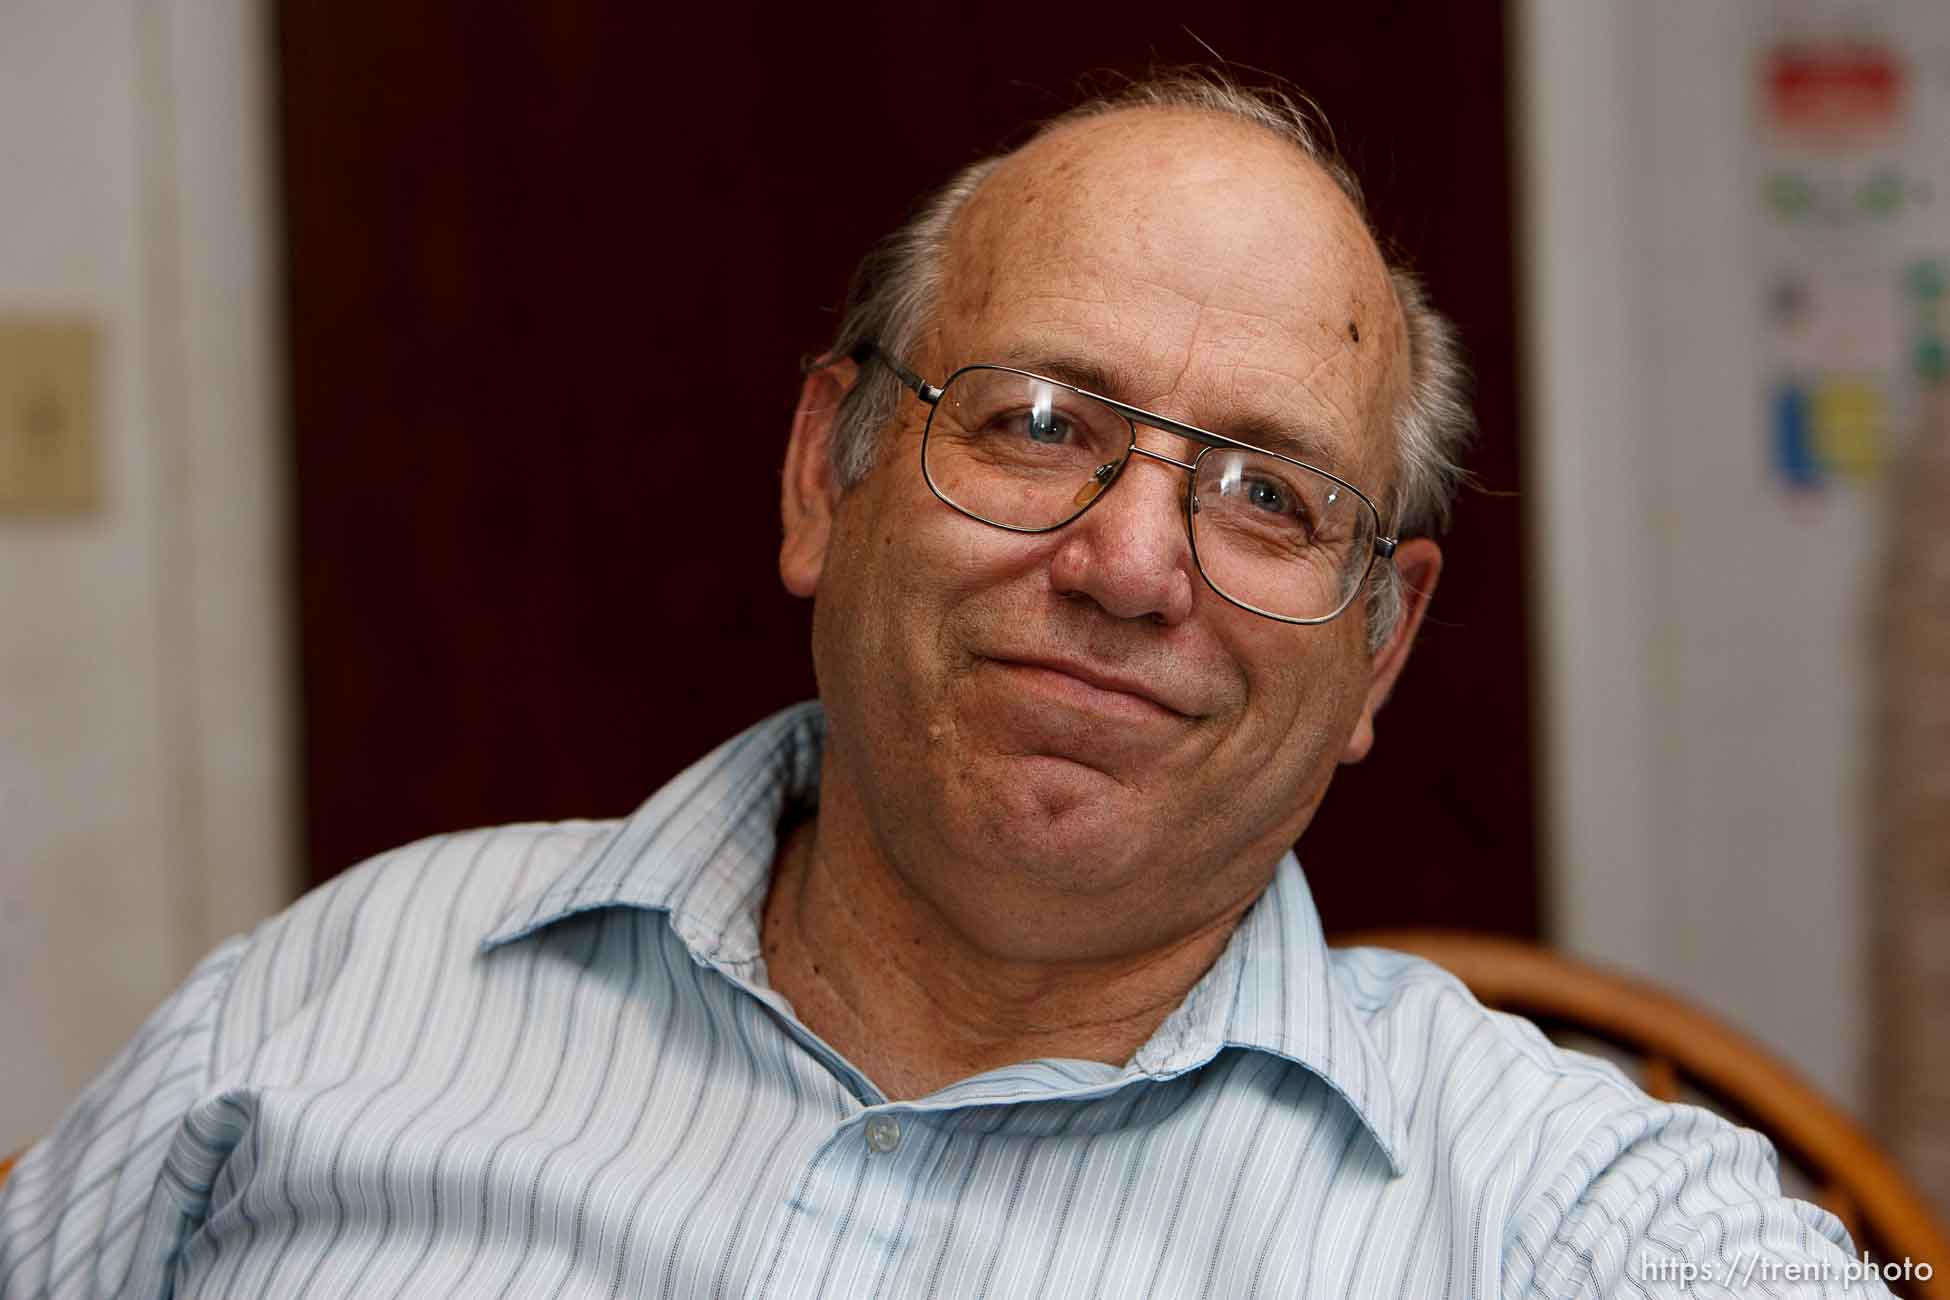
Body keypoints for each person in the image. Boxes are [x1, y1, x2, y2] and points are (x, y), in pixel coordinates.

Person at [0, 72, 1894, 1300]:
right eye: (1036, 420)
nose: (1131, 562)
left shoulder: (1570, 1222)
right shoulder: (339, 998)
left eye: (1268, 491)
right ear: (819, 470)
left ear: (1377, 642)